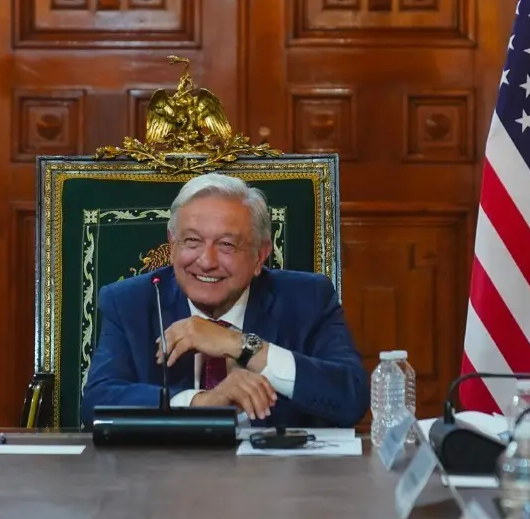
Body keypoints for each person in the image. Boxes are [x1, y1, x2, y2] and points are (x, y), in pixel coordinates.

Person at [81, 173, 369, 429]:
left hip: (274, 481)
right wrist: (201, 403)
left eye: (227, 245)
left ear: (260, 255)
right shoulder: (130, 301)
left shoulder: (309, 299)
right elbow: (96, 402)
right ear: (171, 246)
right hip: (163, 479)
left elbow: (351, 398)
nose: (206, 262)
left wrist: (239, 345)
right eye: (192, 241)